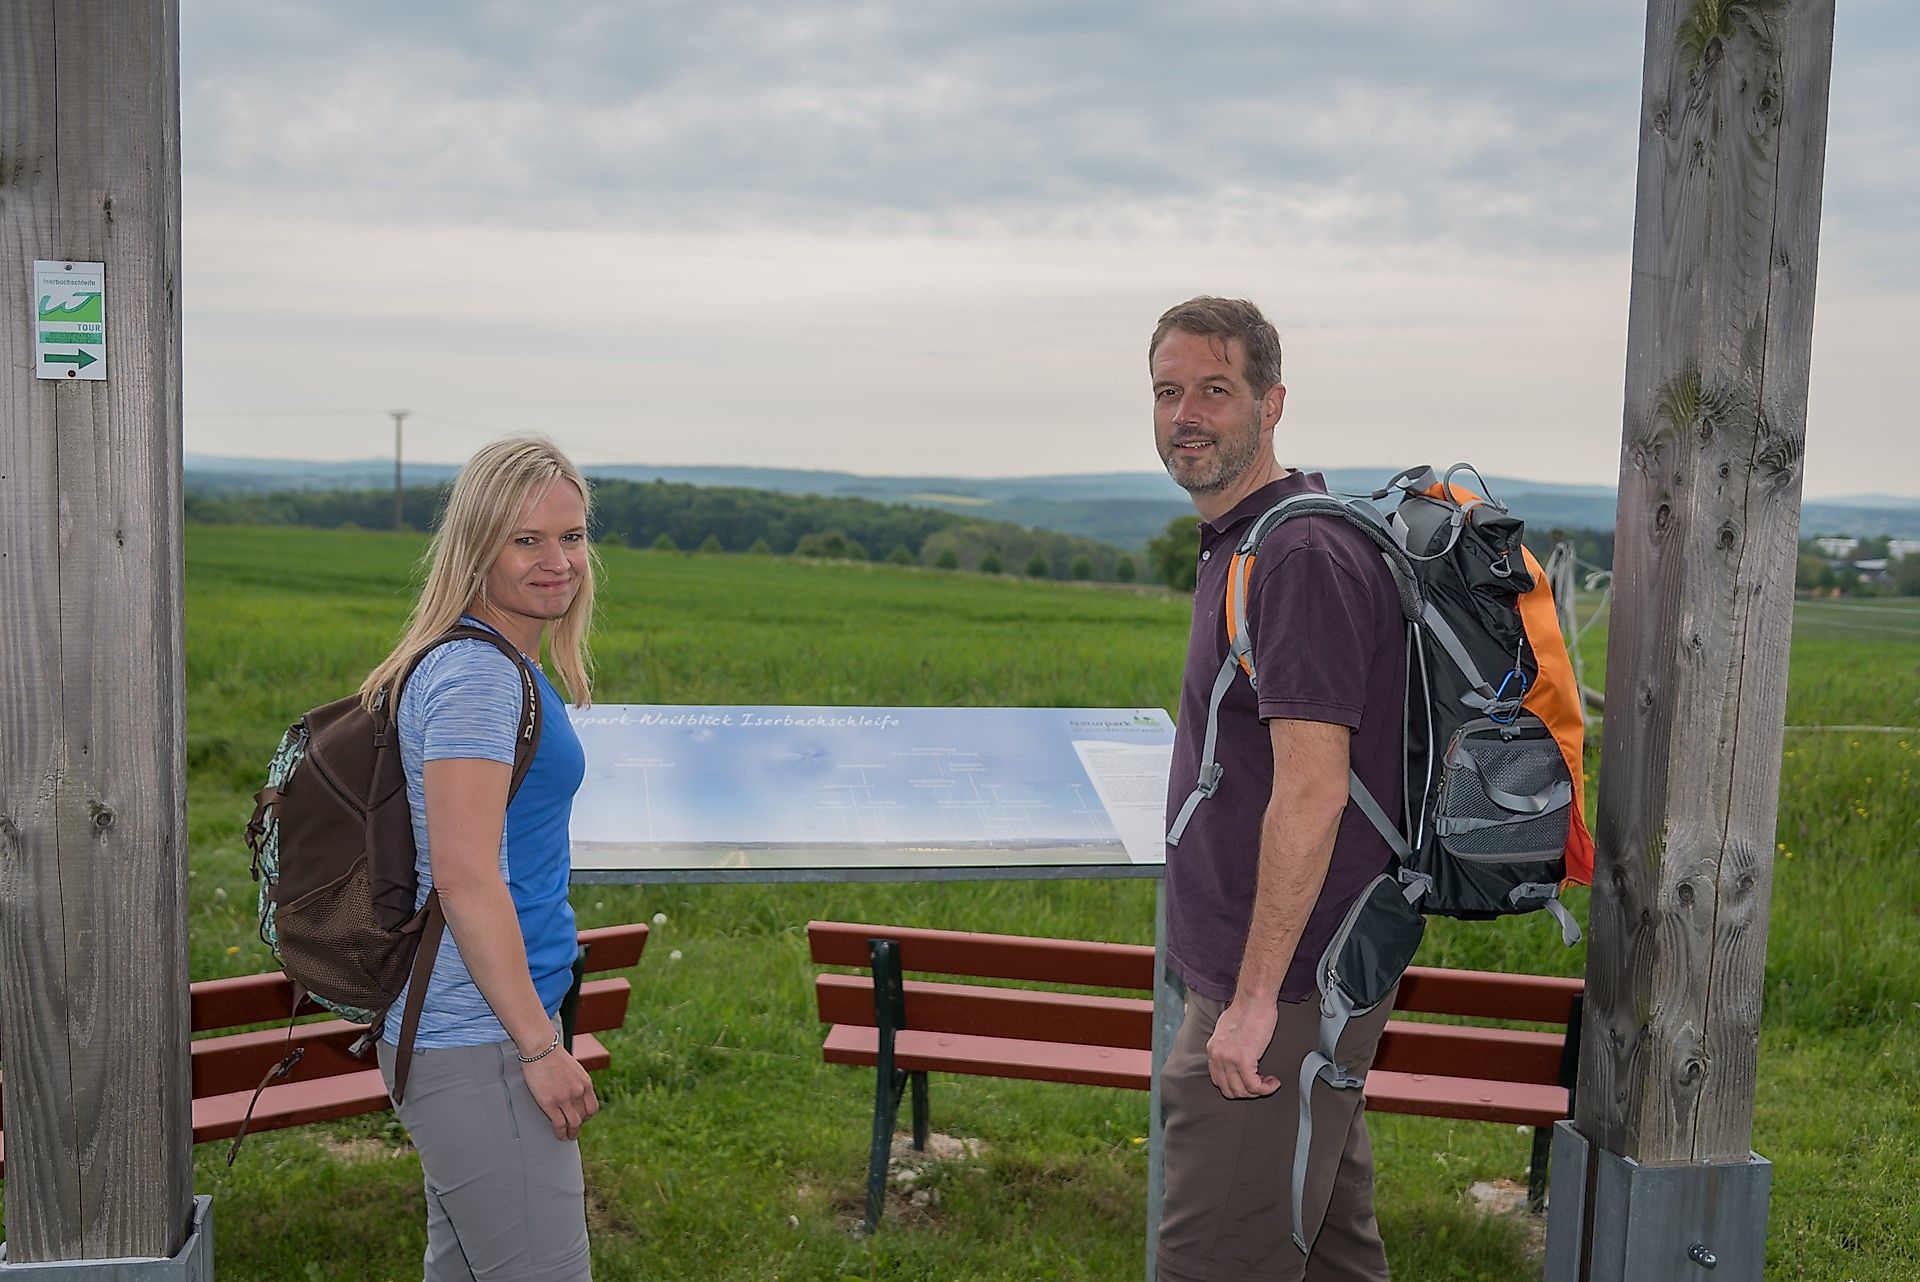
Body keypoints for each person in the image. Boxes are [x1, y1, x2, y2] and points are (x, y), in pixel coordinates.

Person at [1150, 297, 1408, 1282]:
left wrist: (1254, 1000)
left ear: (1272, 403)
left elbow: (1312, 791)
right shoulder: (1243, 539)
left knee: (1213, 1259)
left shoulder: (1296, 556)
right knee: (1334, 1254)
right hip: (1286, 980)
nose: (1187, 415)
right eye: (1168, 392)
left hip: (1283, 988)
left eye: (1215, 389)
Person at [358, 433, 600, 1282]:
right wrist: (537, 1047)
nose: (557, 562)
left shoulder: (504, 664)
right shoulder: (478, 678)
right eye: (526, 539)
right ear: (477, 547)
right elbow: (464, 876)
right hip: (482, 1035)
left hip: (483, 1025)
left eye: (571, 536)